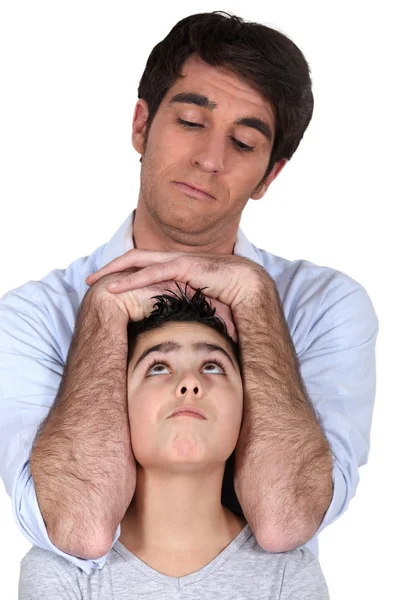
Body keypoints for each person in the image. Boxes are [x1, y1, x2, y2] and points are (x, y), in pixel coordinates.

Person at [0, 9, 378, 577]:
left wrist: (255, 297)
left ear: (268, 177)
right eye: (190, 122)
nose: (210, 160)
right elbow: (78, 526)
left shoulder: (324, 307)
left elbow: (284, 519)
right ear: (140, 125)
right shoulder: (31, 319)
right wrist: (105, 309)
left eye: (244, 143)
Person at [18, 285, 330, 598]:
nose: (190, 383)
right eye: (158, 367)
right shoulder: (58, 572)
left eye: (212, 366)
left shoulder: (290, 573)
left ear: (246, 407)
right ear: (116, 405)